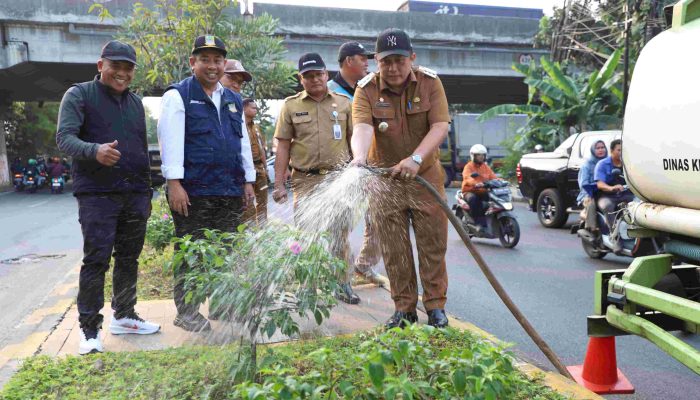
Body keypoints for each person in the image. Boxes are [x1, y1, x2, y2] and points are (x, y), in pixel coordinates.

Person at [56, 40, 160, 355]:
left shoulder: (135, 103)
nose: (122, 73)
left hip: (133, 194)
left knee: (129, 258)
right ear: (101, 65)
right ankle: (89, 331)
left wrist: (147, 191)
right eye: (116, 66)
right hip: (97, 194)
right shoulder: (79, 95)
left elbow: (140, 149)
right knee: (96, 260)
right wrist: (94, 151)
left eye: (128, 68)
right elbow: (64, 139)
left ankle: (125, 315)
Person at [351, 28, 451, 329]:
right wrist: (359, 158)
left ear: (412, 58)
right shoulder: (366, 89)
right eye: (386, 62)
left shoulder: (431, 84)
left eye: (399, 60)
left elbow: (440, 126)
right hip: (385, 182)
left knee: (432, 245)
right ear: (377, 61)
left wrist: (416, 159)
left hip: (426, 180)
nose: (393, 68)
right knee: (395, 250)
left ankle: (435, 308)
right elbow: (362, 128)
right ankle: (404, 310)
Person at [158, 35, 256, 332]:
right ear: (193, 63)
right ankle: (186, 312)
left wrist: (248, 180)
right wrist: (174, 183)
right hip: (192, 191)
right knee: (192, 255)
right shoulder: (178, 95)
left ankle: (223, 304)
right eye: (205, 59)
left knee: (226, 250)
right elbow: (170, 141)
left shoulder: (232, 99)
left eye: (217, 60)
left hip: (227, 188)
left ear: (223, 63)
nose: (212, 66)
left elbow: (243, 145)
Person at [273, 52, 360, 305]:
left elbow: (355, 142)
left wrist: (357, 179)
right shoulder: (291, 106)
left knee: (339, 235)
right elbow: (283, 147)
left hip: (338, 180)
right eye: (308, 76)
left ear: (326, 74)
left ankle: (343, 284)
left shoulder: (344, 103)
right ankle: (307, 287)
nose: (314, 80)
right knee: (307, 235)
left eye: (318, 74)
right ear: (301, 79)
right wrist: (279, 184)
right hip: (306, 181)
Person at [327, 41, 384, 286]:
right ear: (349, 61)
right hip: (346, 172)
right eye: (363, 58)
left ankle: (365, 264)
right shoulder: (328, 92)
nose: (367, 63)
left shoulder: (370, 88)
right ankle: (341, 276)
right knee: (341, 226)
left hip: (373, 168)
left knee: (381, 219)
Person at [595, 139, 634, 251]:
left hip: (625, 194)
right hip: (606, 196)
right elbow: (600, 184)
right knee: (608, 207)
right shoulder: (602, 164)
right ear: (612, 151)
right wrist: (611, 188)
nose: (621, 152)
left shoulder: (628, 163)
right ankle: (615, 237)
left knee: (638, 205)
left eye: (623, 150)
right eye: (619, 150)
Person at [461, 144, 498, 230]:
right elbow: (467, 177)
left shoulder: (485, 167)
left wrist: (502, 181)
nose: (481, 157)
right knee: (474, 199)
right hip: (470, 191)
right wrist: (475, 183)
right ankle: (478, 223)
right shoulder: (468, 167)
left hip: (482, 190)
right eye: (478, 155)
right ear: (473, 156)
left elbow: (493, 177)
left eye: (482, 155)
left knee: (494, 198)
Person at [577, 140, 607, 235]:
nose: (601, 150)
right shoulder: (587, 165)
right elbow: (584, 184)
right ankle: (592, 229)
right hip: (589, 193)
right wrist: (596, 187)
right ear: (593, 150)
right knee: (591, 203)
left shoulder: (608, 162)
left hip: (607, 191)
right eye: (598, 148)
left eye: (602, 147)